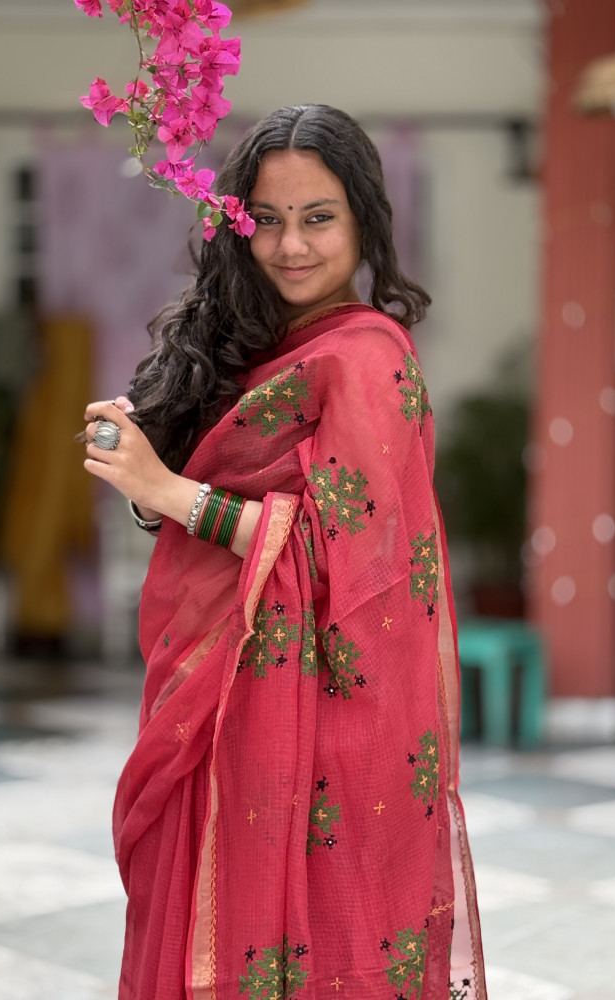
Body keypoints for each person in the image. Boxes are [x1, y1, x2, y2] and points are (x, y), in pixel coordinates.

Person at [82, 104, 486, 1000]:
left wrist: (165, 490)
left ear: (365, 221)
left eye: (318, 217)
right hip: (231, 707)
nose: (290, 245)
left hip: (328, 737)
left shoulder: (368, 357)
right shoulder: (271, 348)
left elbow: (350, 559)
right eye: (265, 219)